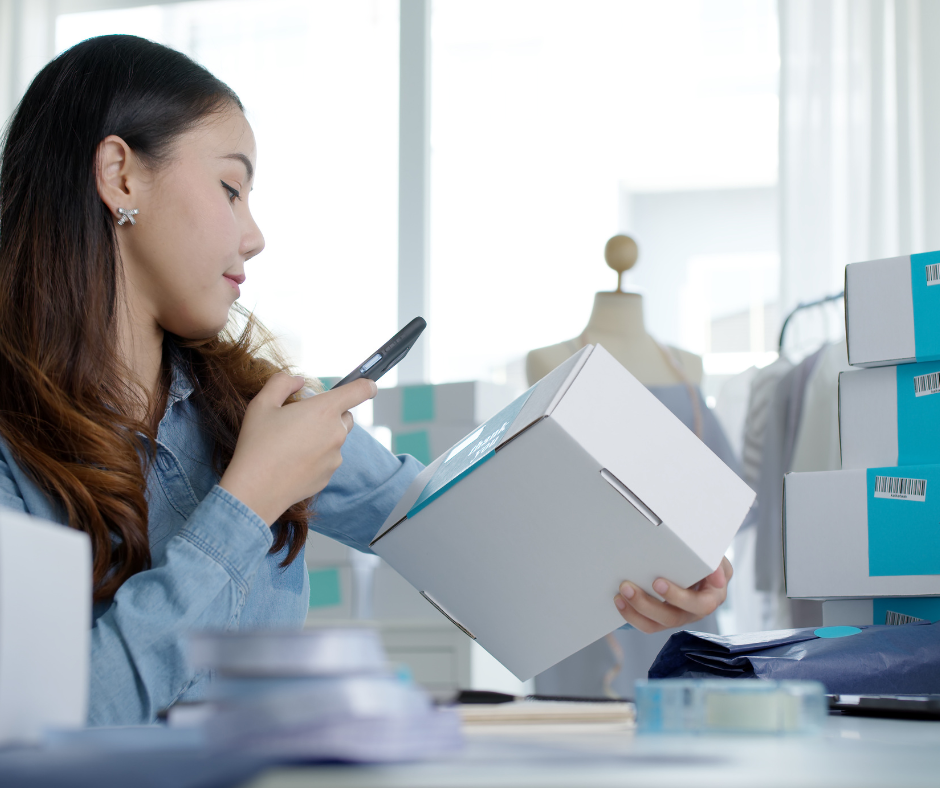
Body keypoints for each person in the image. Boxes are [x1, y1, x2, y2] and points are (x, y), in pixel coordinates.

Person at [0, 35, 732, 726]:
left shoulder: (255, 408)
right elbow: (49, 722)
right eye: (231, 188)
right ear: (120, 173)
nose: (255, 235)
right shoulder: (14, 450)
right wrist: (247, 501)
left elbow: (460, 526)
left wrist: (650, 569)